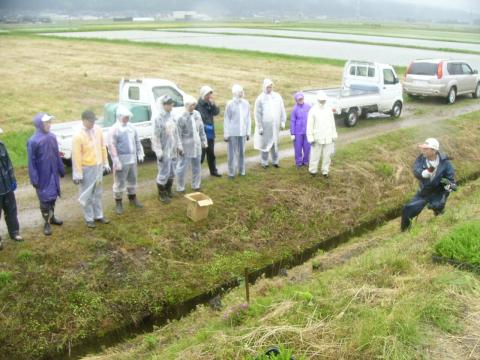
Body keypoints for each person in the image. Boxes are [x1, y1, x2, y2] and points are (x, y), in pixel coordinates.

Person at [401, 138, 456, 232]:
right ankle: (405, 232)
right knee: (407, 210)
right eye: (423, 148)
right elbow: (416, 171)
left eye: (426, 149)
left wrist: (443, 195)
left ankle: (441, 220)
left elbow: (452, 184)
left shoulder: (446, 163)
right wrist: (423, 173)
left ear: (434, 150)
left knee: (438, 207)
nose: (423, 150)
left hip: (438, 192)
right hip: (423, 192)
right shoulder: (420, 160)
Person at [27, 113, 65, 236]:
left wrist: (61, 168)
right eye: (46, 122)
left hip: (53, 173)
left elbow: (57, 154)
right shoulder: (33, 141)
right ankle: (46, 223)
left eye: (49, 122)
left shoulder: (52, 137)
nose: (49, 125)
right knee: (44, 199)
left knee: (53, 196)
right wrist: (34, 178)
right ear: (39, 124)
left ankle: (52, 217)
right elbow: (31, 162)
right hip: (42, 176)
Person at [72, 110, 111, 228]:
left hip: (98, 166)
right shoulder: (78, 135)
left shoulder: (98, 130)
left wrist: (106, 163)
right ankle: (89, 218)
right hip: (87, 168)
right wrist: (78, 173)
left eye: (94, 121)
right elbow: (76, 155)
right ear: (84, 120)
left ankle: (99, 215)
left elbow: (103, 147)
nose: (92, 123)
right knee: (87, 194)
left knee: (98, 192)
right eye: (90, 121)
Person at [107, 105, 145, 215]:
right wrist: (116, 160)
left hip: (132, 159)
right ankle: (118, 203)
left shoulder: (132, 127)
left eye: (128, 117)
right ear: (119, 116)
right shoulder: (114, 129)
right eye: (125, 117)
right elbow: (111, 146)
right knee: (119, 182)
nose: (127, 119)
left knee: (132, 179)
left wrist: (140, 152)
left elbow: (137, 141)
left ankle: (132, 198)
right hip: (121, 159)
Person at [152, 95, 183, 204]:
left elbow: (176, 134)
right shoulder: (158, 119)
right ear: (163, 105)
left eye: (171, 103)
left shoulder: (172, 116)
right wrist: (159, 152)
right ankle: (162, 194)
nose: (171, 105)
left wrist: (179, 146)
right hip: (164, 151)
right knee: (163, 172)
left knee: (172, 172)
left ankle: (169, 190)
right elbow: (156, 137)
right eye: (169, 104)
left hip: (173, 150)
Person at [176, 96, 208, 193]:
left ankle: (196, 185)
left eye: (194, 105)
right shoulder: (181, 117)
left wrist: (204, 141)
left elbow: (201, 129)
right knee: (182, 167)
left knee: (197, 166)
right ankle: (180, 187)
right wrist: (180, 147)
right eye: (191, 105)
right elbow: (178, 134)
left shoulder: (197, 114)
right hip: (186, 146)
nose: (193, 107)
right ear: (186, 105)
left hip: (197, 144)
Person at [254, 79, 286, 169]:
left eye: (271, 87)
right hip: (265, 127)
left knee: (275, 143)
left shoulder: (277, 96)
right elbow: (257, 114)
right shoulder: (260, 98)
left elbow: (282, 109)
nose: (269, 88)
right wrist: (259, 126)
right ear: (264, 87)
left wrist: (283, 121)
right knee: (265, 144)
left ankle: (275, 161)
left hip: (275, 126)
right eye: (268, 87)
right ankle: (264, 162)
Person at [0, 127, 23, 249]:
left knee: (11, 210)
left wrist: (13, 180)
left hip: (7, 186)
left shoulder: (1, 145)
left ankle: (14, 232)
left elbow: (8, 164)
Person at [306, 91, 337, 177]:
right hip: (317, 137)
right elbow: (309, 125)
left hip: (328, 136)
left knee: (327, 156)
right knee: (315, 155)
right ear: (318, 100)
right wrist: (310, 138)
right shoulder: (313, 110)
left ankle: (325, 171)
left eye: (324, 100)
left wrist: (334, 135)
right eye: (321, 100)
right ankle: (313, 171)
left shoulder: (329, 109)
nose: (322, 102)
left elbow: (332, 123)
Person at [224, 84, 251, 179]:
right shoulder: (230, 104)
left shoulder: (246, 103)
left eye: (242, 91)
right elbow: (227, 119)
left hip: (242, 132)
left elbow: (248, 118)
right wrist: (226, 134)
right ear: (234, 93)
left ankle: (242, 170)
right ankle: (231, 173)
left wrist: (248, 132)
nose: (242, 93)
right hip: (232, 132)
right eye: (240, 91)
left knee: (242, 152)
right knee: (232, 154)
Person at [196, 85, 221, 177]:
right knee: (201, 156)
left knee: (211, 154)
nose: (210, 96)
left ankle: (213, 171)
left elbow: (216, 112)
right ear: (204, 95)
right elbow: (200, 118)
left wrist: (213, 104)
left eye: (211, 94)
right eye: (208, 94)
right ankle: (196, 173)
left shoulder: (210, 104)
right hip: (201, 134)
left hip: (210, 133)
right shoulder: (198, 105)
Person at [290, 92, 311, 168]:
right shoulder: (294, 109)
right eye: (299, 99)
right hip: (298, 132)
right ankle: (298, 162)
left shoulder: (308, 107)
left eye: (301, 98)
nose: (301, 100)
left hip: (307, 131)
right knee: (298, 148)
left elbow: (312, 118)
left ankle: (306, 161)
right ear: (296, 100)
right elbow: (292, 121)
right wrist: (292, 133)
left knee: (307, 147)